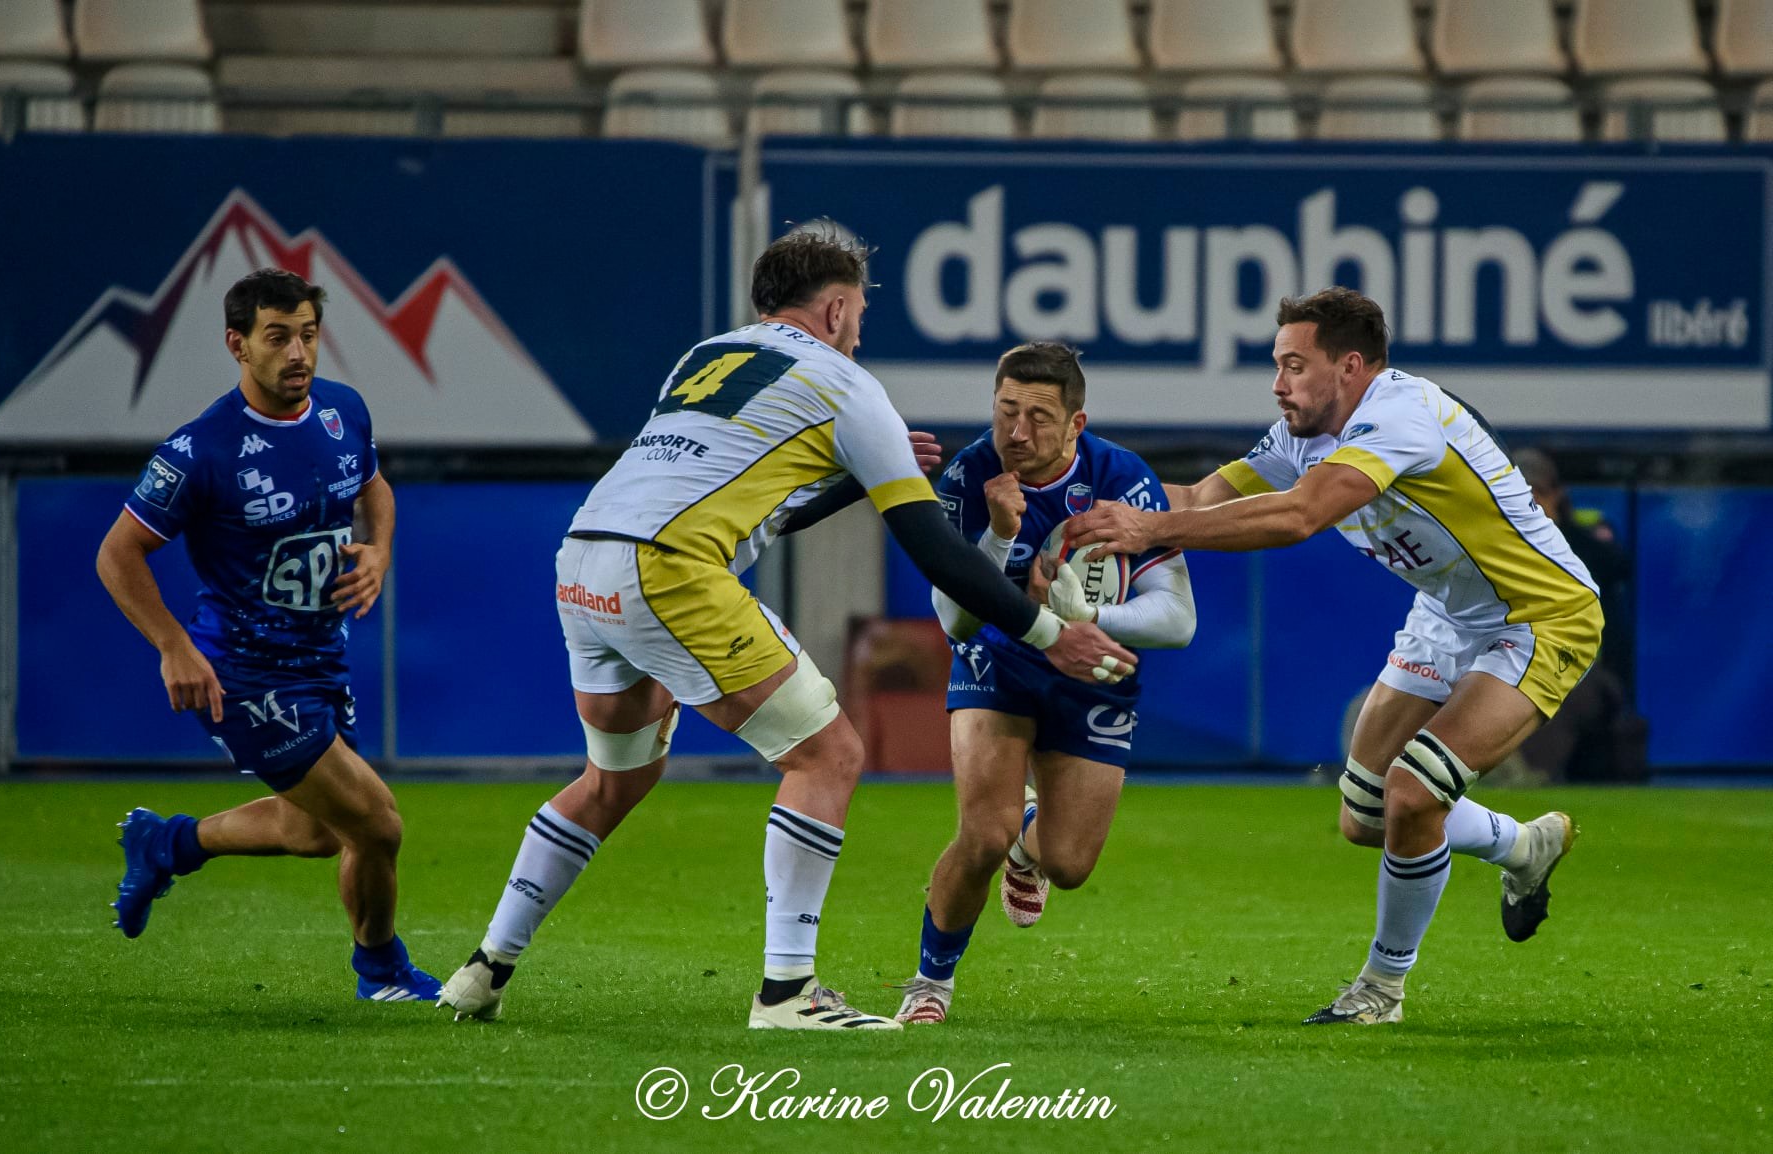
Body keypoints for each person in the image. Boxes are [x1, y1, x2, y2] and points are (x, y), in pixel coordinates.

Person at [436, 229, 1137, 1030]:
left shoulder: (705, 356)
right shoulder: (845, 382)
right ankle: (786, 993)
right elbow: (934, 548)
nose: (859, 332)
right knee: (828, 754)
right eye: (859, 313)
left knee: (612, 779)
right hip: (670, 568)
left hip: (585, 560)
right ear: (835, 309)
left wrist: (853, 480)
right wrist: (1048, 632)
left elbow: (753, 503)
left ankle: (486, 967)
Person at [1064, 287, 1603, 1026]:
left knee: (1413, 794)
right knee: (1366, 815)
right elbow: (1195, 500)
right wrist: (1081, 505)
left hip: (1538, 615)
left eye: (1294, 365)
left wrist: (1150, 531)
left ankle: (1381, 990)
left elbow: (1299, 516)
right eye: (1277, 364)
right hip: (1448, 615)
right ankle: (1523, 846)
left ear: (1350, 367)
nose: (1277, 383)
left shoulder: (1401, 416)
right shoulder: (1300, 435)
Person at [97, 268, 440, 1002]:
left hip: (321, 661)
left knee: (315, 831)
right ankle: (381, 971)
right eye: (278, 337)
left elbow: (373, 486)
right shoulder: (200, 450)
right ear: (238, 345)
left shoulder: (343, 411)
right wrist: (173, 646)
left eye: (308, 335)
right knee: (377, 825)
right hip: (245, 673)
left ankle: (167, 843)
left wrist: (379, 550)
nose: (298, 353)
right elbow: (117, 554)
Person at [892, 342, 1197, 1026]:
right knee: (982, 834)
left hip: (1091, 668)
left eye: (1038, 416)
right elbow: (954, 619)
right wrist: (999, 536)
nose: (1017, 432)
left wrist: (1087, 617)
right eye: (1006, 411)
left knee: (1070, 864)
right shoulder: (968, 477)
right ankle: (930, 984)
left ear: (1076, 424)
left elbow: (1178, 619)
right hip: (997, 659)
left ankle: (1030, 839)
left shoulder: (1123, 479)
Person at [1511, 448, 1646, 783]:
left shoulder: (1583, 536)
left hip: (1590, 671)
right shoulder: (1498, 543)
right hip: (1516, 661)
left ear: (1557, 494)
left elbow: (1616, 565)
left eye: (1538, 493)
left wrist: (1553, 528)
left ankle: (1530, 775)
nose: (1531, 502)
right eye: (1521, 493)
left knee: (1556, 689)